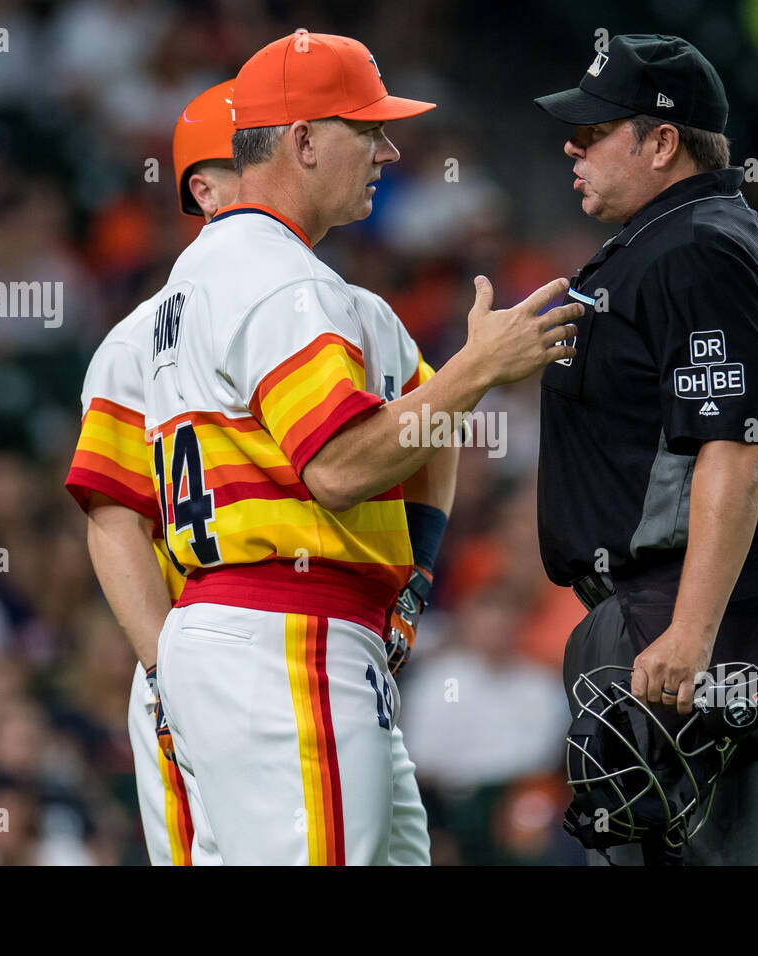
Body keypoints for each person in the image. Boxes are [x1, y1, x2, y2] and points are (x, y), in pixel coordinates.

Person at [146, 30, 580, 865]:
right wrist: (480, 368)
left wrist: (412, 579)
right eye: (367, 129)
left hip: (251, 631)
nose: (389, 149)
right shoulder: (283, 281)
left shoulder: (198, 283)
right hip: (286, 632)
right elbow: (340, 466)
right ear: (303, 141)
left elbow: (422, 427)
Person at [533, 33, 758, 865]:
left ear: (661, 141)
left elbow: (734, 452)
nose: (573, 145)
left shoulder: (699, 248)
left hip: (711, 618)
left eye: (595, 131)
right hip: (660, 613)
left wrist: (694, 629)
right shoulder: (666, 240)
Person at [66, 79, 238, 865]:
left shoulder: (322, 307)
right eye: (252, 158)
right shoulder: (136, 341)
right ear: (202, 190)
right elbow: (113, 516)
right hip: (197, 638)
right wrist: (165, 670)